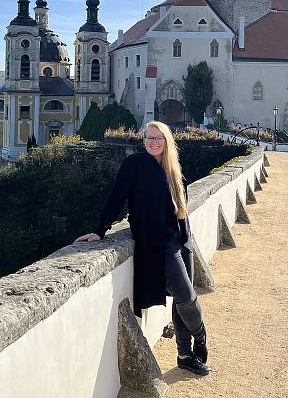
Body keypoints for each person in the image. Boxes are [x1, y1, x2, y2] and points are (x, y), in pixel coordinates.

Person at [75, 121, 209, 376]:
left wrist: (186, 238)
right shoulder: (134, 165)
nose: (153, 142)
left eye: (158, 137)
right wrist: (101, 229)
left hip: (180, 238)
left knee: (184, 300)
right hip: (156, 242)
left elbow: (181, 208)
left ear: (167, 140)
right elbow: (117, 196)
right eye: (149, 137)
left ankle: (185, 354)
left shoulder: (173, 169)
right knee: (185, 296)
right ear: (143, 139)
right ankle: (200, 334)